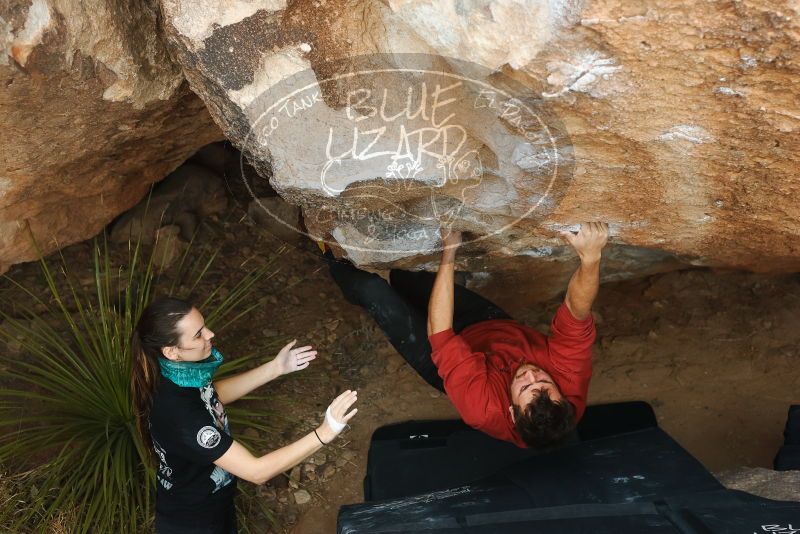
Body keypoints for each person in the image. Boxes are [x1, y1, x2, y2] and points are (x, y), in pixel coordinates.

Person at [326, 222, 608, 449]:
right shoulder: (568, 381)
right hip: (494, 328)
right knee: (408, 277)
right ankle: (405, 277)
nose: (531, 374)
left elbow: (440, 333)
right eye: (544, 380)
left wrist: (450, 251)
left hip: (445, 361)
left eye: (524, 387)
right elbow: (576, 310)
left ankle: (326, 248)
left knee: (371, 290)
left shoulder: (482, 408)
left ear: (511, 412)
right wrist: (591, 258)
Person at [131, 297, 358, 533]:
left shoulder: (175, 374)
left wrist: (275, 368)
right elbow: (256, 471)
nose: (210, 334)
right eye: (198, 335)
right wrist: (325, 432)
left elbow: (211, 395)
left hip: (210, 505)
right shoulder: (182, 416)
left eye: (204, 326)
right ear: (172, 351)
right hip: (195, 522)